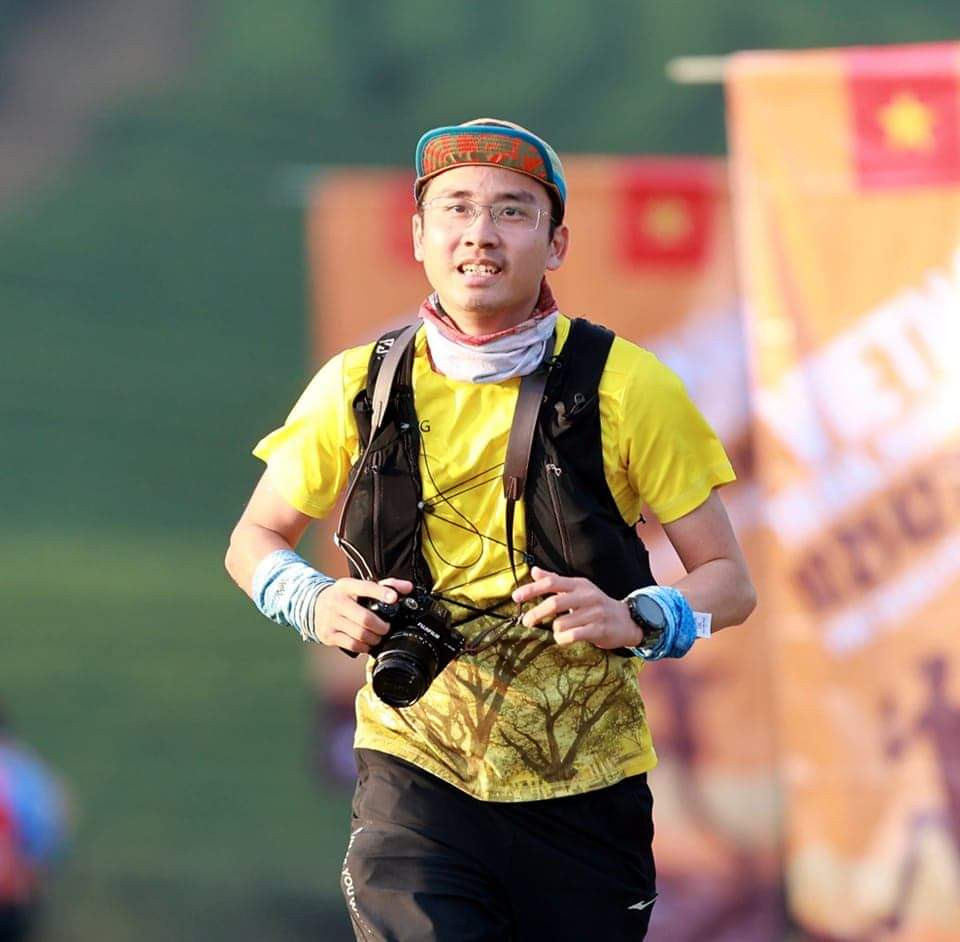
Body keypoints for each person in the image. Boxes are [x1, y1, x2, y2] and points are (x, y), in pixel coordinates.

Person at [225, 118, 756, 941]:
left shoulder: (630, 386)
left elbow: (730, 581)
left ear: (557, 243)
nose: (480, 233)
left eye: (512, 211)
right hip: (415, 776)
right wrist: (311, 599)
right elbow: (253, 538)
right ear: (420, 237)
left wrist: (639, 615)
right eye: (457, 209)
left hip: (589, 790)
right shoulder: (358, 386)